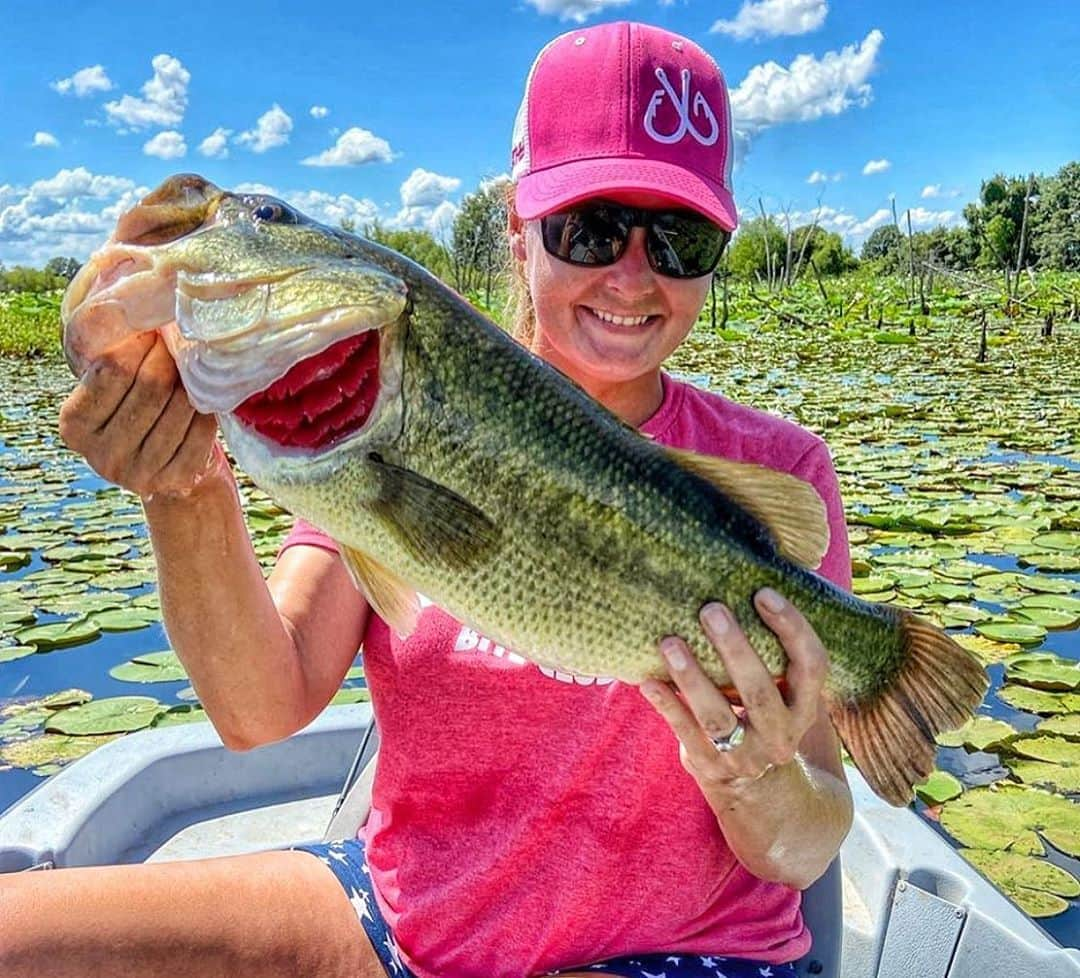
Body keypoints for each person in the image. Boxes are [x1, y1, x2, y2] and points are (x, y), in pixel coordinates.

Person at [2, 20, 853, 978]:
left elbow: (807, 843)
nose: (632, 275)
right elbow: (258, 708)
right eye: (593, 229)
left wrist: (754, 777)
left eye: (683, 240)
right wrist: (183, 484)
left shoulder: (775, 466)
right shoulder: (386, 413)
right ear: (519, 230)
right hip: (408, 919)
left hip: (685, 950)